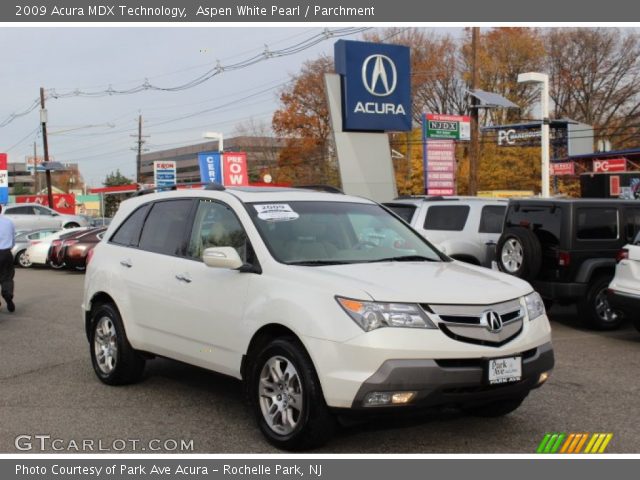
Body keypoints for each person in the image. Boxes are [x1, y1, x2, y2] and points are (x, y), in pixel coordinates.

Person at [0, 204, 16, 312]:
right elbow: (13, 239)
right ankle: (8, 295)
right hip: (6, 253)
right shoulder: (9, 222)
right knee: (6, 277)